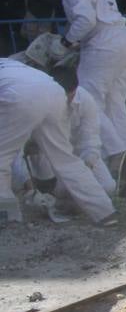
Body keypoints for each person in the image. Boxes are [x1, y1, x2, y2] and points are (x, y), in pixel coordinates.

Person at [31, 0, 126, 169]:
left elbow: (85, 20)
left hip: (102, 44)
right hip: (123, 37)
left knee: (89, 102)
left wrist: (66, 42)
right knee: (115, 103)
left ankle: (117, 153)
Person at [1, 58, 117, 226]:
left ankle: (6, 214)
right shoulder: (10, 64)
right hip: (53, 91)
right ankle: (104, 212)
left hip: (21, 96)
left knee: (2, 156)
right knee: (66, 159)